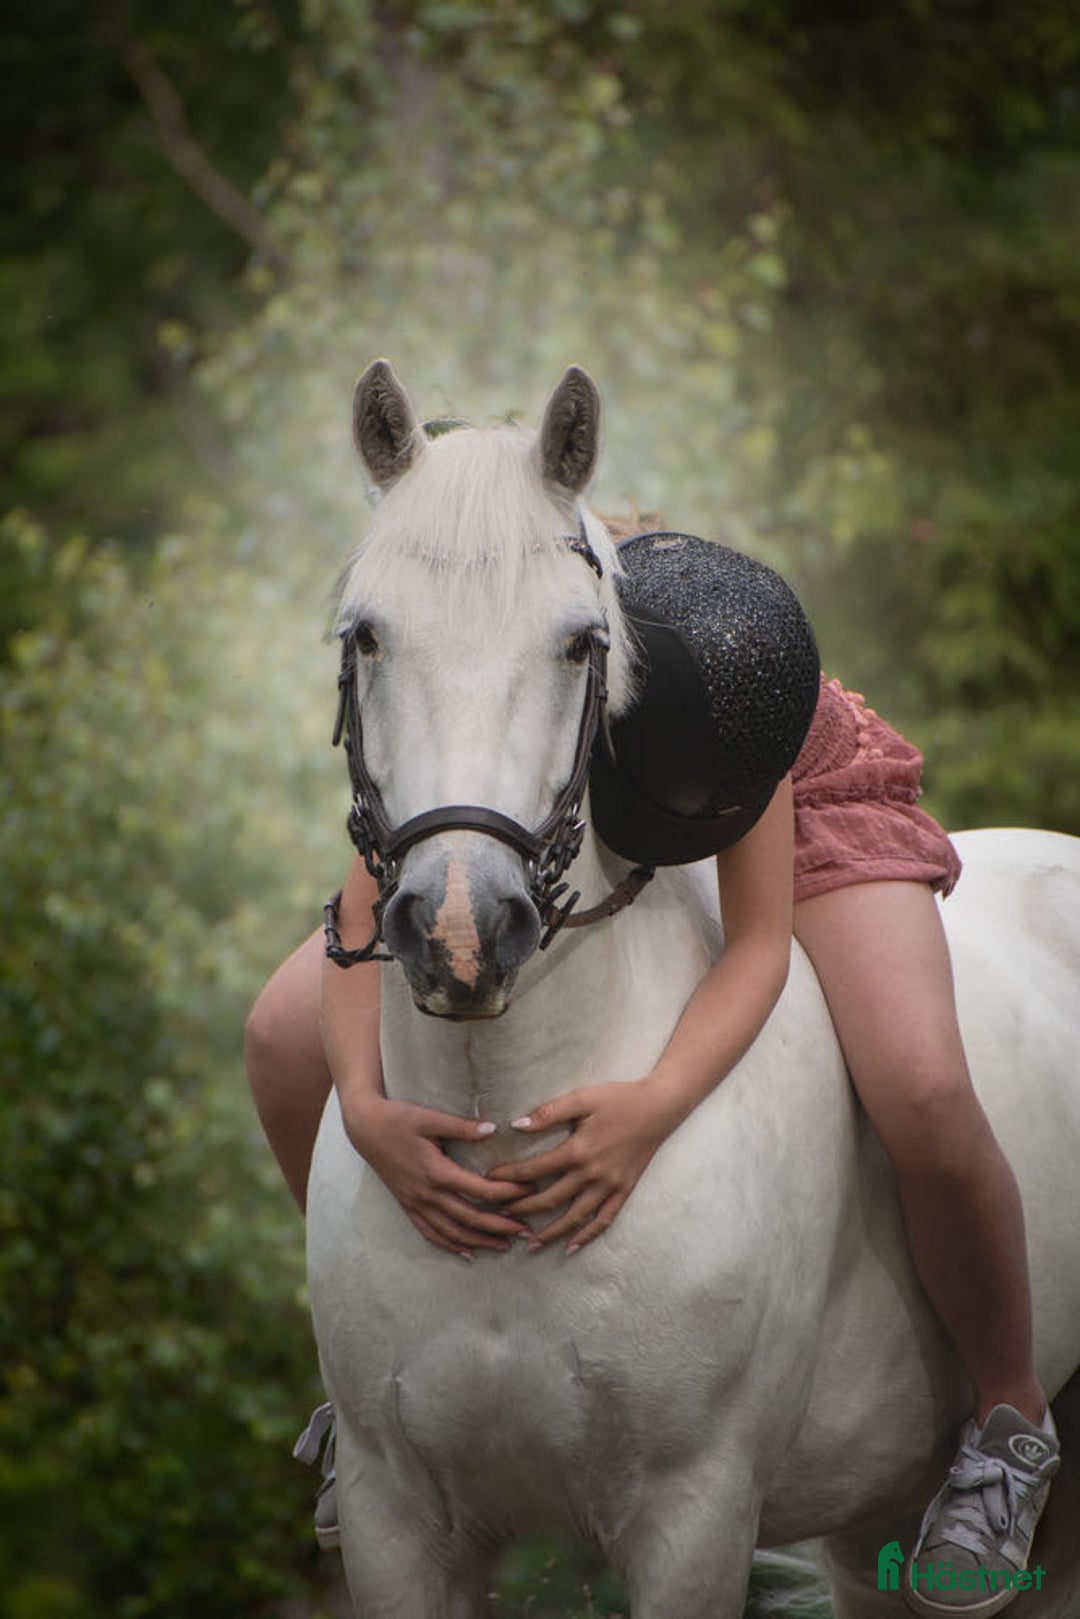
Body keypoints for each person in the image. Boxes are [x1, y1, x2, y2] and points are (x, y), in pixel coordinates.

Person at [245, 526, 1057, 1618]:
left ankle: (1009, 1419)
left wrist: (650, 1110)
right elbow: (363, 911)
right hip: (554, 800)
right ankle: (366, 1399)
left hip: (769, 774)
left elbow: (759, 944)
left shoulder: (710, 667)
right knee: (276, 1033)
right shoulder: (480, 662)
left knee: (922, 1088)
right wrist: (365, 1103)